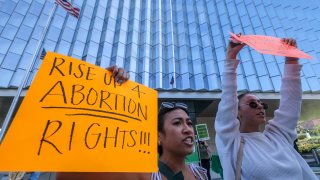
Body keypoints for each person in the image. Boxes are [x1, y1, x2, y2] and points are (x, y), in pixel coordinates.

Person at [56, 67, 208, 179]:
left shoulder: (200, 173)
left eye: (189, 123)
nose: (188, 129)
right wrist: (102, 86)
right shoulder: (143, 175)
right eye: (177, 123)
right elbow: (65, 175)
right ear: (158, 136)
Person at [215, 36, 318, 179]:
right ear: (237, 112)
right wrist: (230, 60)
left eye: (261, 104)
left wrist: (291, 60)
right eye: (252, 104)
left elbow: (291, 101)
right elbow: (227, 100)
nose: (260, 107)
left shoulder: (278, 136)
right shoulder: (232, 143)